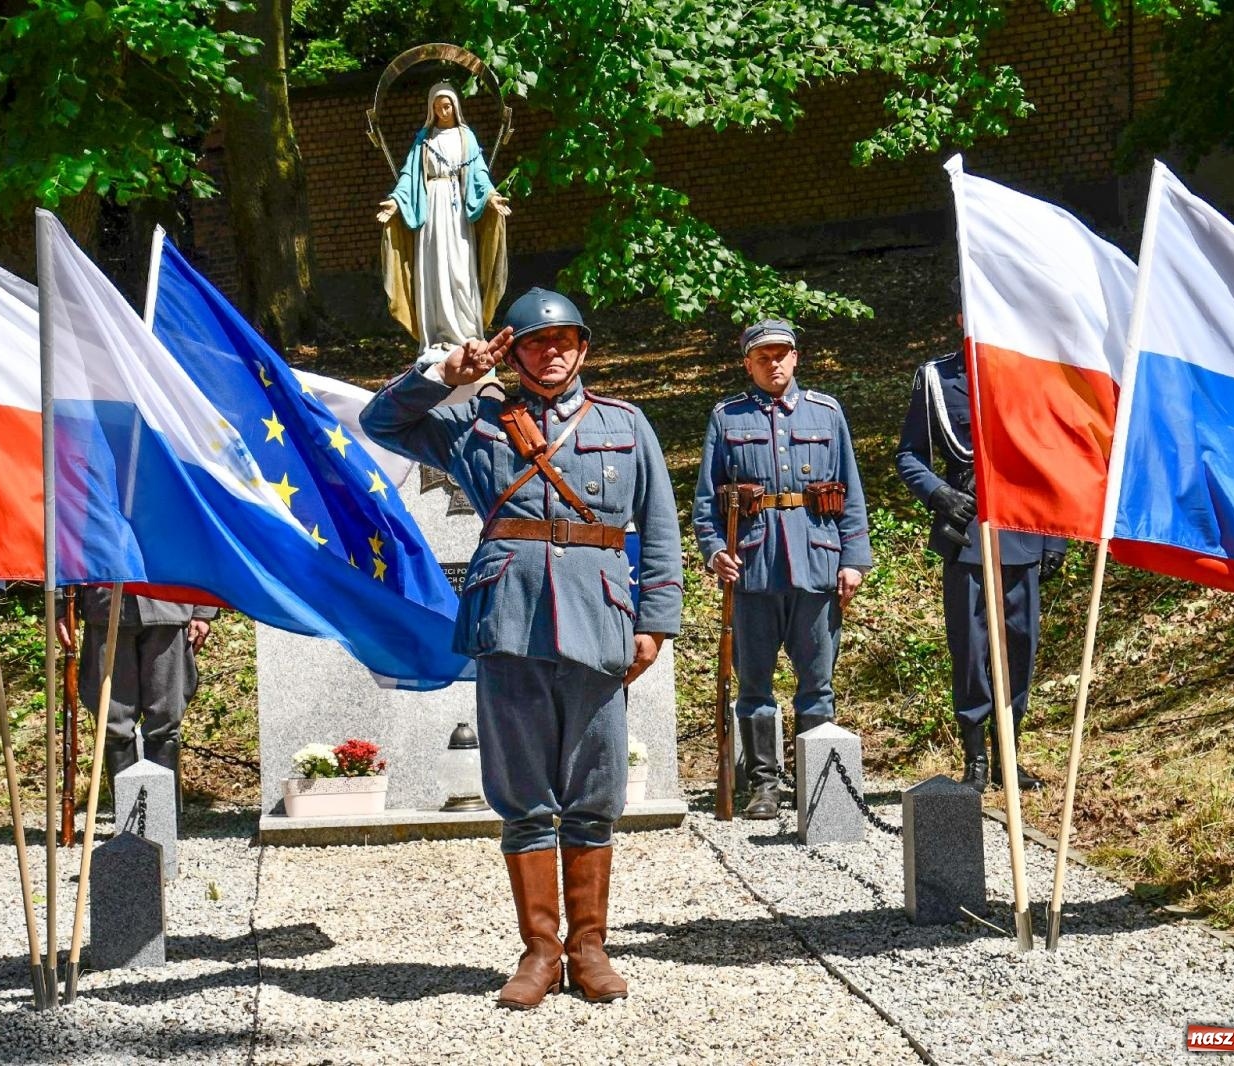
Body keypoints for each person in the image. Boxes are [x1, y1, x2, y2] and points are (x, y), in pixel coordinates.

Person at [361, 287, 682, 1009]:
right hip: (508, 620)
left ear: (583, 348)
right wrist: (446, 373)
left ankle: (589, 948)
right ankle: (539, 951)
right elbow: (382, 421)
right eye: (537, 342)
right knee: (523, 794)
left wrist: (656, 620)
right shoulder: (474, 421)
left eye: (564, 340)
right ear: (516, 354)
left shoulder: (626, 424)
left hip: (599, 619)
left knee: (595, 789)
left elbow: (660, 529)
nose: (552, 352)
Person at [691, 319, 873, 819]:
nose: (774, 364)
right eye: (763, 357)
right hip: (753, 569)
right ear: (747, 364)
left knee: (817, 685)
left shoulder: (826, 412)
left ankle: (818, 785)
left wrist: (854, 559)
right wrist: (714, 550)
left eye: (781, 355)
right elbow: (706, 501)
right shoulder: (727, 417)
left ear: (796, 358)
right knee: (754, 687)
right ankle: (764, 786)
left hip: (817, 564)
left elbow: (851, 492)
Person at [894, 319, 1066, 793]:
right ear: (960, 315)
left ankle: (1009, 756)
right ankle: (975, 759)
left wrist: (1055, 538)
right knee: (971, 650)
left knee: (1020, 648)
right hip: (966, 533)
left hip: (1023, 528)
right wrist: (940, 494)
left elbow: (1052, 460)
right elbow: (909, 455)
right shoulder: (937, 378)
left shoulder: (1031, 372)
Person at [377, 81, 511, 361]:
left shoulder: (465, 136)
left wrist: (491, 196)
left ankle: (467, 333)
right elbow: (409, 175)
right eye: (438, 107)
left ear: (456, 106)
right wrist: (396, 201)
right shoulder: (424, 139)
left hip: (458, 211)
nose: (443, 111)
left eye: (447, 106)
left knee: (460, 269)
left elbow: (479, 173)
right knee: (434, 268)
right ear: (432, 109)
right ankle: (436, 336)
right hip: (431, 210)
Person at [58, 590, 217, 800]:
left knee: (165, 723)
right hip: (106, 605)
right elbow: (61, 566)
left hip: (168, 600)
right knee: (113, 723)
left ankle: (162, 813)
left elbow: (208, 565)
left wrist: (203, 609)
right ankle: (126, 814)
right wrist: (61, 606)